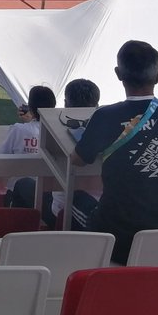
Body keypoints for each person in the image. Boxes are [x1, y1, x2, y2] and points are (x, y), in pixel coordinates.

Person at [71, 40, 158, 264]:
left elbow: (78, 160)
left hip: (119, 235)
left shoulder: (106, 116)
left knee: (75, 200)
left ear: (118, 74)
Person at [43, 78, 103, 230]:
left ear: (65, 102)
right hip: (96, 207)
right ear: (96, 104)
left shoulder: (55, 129)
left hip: (71, 212)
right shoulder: (110, 128)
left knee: (26, 187)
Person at [0, 85, 57, 208]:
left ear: (30, 107)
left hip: (18, 196)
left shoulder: (19, 130)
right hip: (49, 197)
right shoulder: (58, 132)